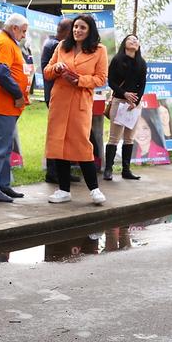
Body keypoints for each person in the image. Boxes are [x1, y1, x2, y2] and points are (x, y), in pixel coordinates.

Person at [43, 14, 109, 205]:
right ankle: (64, 190)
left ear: (90, 31)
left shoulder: (99, 50)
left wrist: (80, 80)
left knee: (81, 144)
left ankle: (94, 189)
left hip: (80, 101)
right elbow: (47, 72)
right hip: (59, 102)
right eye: (76, 27)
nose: (77, 30)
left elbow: (101, 78)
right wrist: (56, 68)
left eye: (82, 28)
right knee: (59, 144)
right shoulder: (62, 46)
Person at [0, 14, 30, 203]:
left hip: (7, 103)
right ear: (14, 28)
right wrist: (18, 95)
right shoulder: (5, 43)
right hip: (4, 102)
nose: (24, 35)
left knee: (5, 145)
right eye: (23, 31)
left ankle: (2, 184)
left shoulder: (5, 41)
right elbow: (2, 73)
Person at [104, 34, 146, 181]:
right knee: (114, 138)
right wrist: (125, 94)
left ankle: (126, 170)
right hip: (119, 102)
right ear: (124, 43)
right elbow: (111, 82)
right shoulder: (117, 60)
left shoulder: (141, 63)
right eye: (130, 39)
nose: (133, 41)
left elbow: (142, 84)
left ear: (139, 45)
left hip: (134, 105)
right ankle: (108, 169)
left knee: (129, 138)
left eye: (136, 39)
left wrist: (136, 101)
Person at [40, 16, 74, 185]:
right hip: (56, 96)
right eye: (73, 30)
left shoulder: (50, 43)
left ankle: (61, 172)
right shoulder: (55, 46)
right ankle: (53, 172)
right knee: (57, 135)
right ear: (67, 31)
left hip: (56, 95)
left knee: (64, 135)